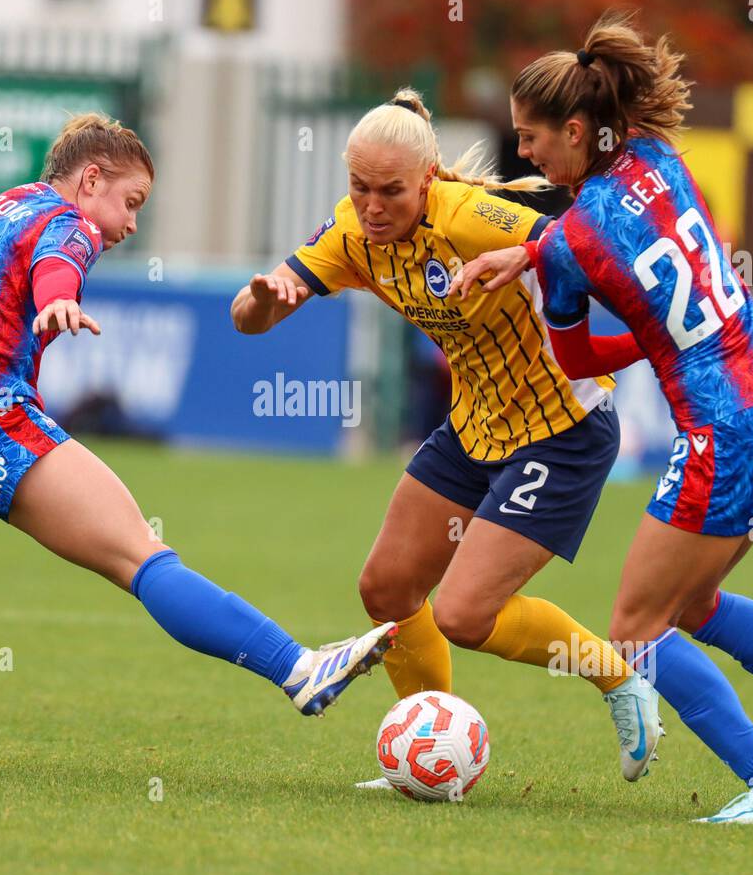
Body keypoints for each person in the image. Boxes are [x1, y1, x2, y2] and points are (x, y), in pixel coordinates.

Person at [0, 112, 395, 761]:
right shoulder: (67, 219)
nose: (129, 224)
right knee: (142, 557)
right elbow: (62, 256)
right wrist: (58, 296)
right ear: (90, 178)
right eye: (131, 202)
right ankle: (298, 668)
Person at [453, 11, 753, 825]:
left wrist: (555, 280)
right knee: (693, 608)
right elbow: (603, 225)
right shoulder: (660, 157)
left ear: (575, 128)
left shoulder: (567, 248)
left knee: (631, 629)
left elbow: (576, 360)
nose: (522, 154)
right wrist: (532, 249)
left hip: (719, 432)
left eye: (530, 138)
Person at [231, 88, 663, 791]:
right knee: (388, 585)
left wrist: (535, 260)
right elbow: (248, 319)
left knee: (464, 612)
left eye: (391, 191)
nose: (372, 206)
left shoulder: (468, 218)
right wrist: (263, 298)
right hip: (475, 425)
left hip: (563, 429)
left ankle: (620, 678)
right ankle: (429, 750)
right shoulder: (349, 235)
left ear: (428, 180)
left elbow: (581, 240)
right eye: (359, 187)